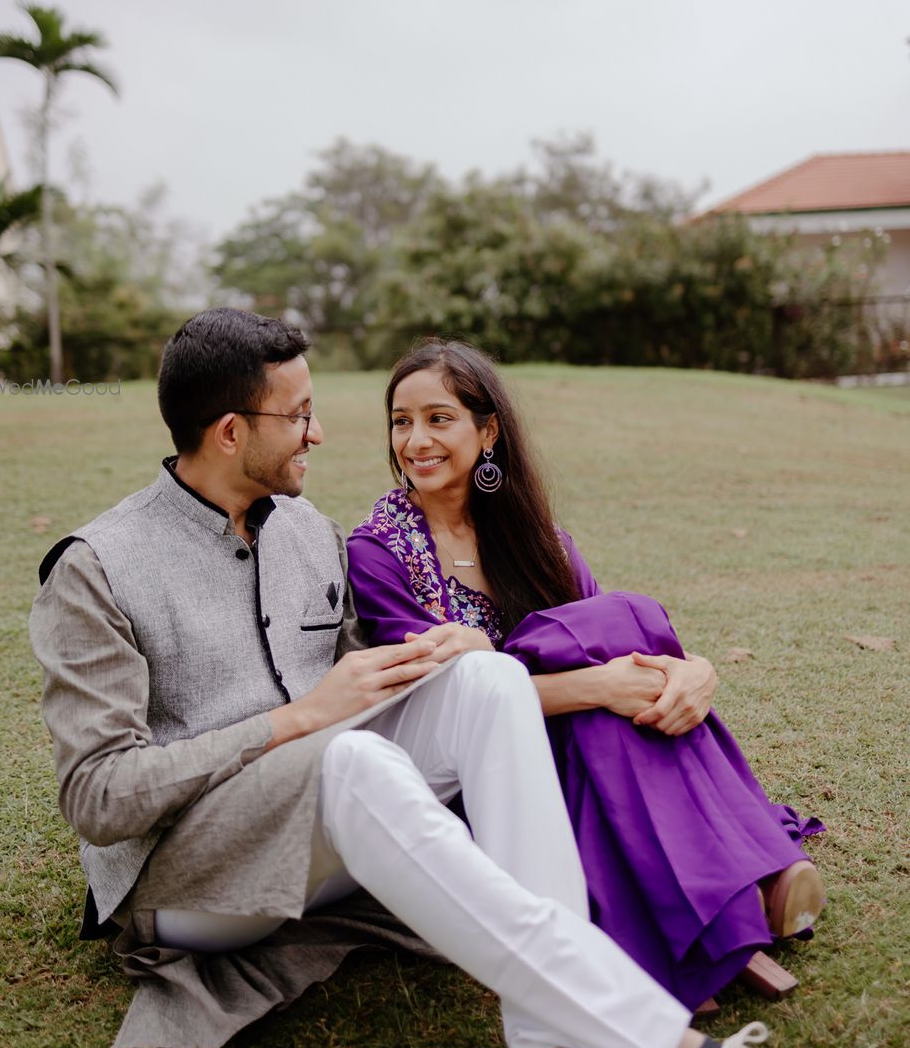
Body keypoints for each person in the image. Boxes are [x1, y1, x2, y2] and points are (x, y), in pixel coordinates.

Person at [30, 309, 908, 1048]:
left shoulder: (303, 533)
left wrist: (444, 659)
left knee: (484, 678)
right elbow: (98, 798)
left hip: (319, 832)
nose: (320, 433)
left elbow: (369, 681)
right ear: (232, 431)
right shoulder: (98, 568)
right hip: (192, 886)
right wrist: (301, 719)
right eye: (299, 415)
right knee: (359, 766)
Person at [348, 339, 828, 1013]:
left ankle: (718, 899)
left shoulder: (535, 534)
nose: (416, 440)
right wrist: (600, 688)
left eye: (438, 418)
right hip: (478, 776)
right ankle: (748, 883)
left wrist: (695, 672)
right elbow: (442, 703)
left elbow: (610, 645)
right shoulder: (378, 552)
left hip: (580, 741)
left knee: (615, 619)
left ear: (488, 431)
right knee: (597, 682)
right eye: (401, 421)